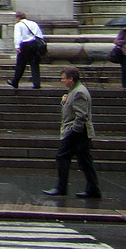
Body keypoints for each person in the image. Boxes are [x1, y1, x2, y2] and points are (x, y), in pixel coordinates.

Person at [43, 66, 101, 199]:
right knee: (85, 160)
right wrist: (64, 103)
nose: (62, 80)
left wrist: (74, 131)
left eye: (64, 78)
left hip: (78, 132)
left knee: (62, 156)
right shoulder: (74, 91)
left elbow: (81, 115)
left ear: (71, 79)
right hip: (81, 132)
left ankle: (61, 187)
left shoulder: (79, 92)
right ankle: (93, 189)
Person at [8, 10, 45, 89]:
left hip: (25, 45)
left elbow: (18, 36)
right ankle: (36, 83)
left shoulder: (19, 25)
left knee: (20, 64)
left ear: (18, 18)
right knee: (34, 64)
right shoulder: (33, 23)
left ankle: (15, 81)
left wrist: (17, 46)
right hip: (34, 44)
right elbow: (39, 35)